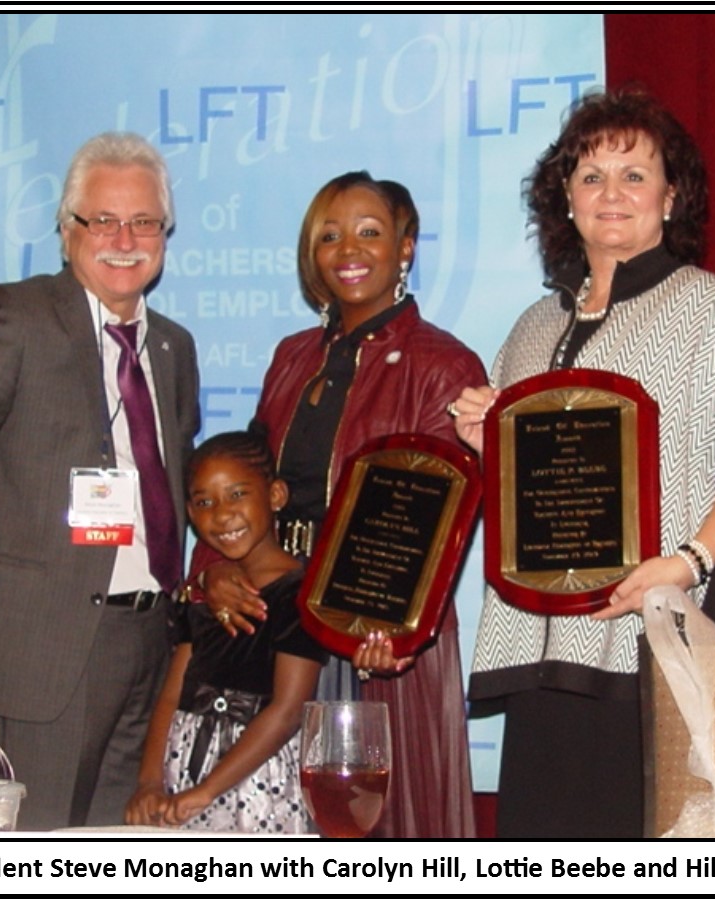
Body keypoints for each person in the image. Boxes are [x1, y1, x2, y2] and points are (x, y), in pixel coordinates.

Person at [451, 88, 715, 838]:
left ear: (671, 198)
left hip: (659, 640)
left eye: (634, 175)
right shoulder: (534, 327)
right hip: (550, 651)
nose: (611, 193)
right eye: (591, 176)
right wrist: (490, 446)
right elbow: (531, 492)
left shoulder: (713, 310)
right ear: (566, 199)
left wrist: (685, 563)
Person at [0, 132, 200, 830]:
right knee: (36, 852)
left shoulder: (174, 346)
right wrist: (9, 567)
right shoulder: (18, 318)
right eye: (103, 220)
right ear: (67, 231)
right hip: (43, 647)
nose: (125, 240)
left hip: (149, 643)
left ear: (165, 235)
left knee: (115, 851)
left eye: (144, 221)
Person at [193, 171, 486, 838]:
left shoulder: (444, 364)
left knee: (375, 837)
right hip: (277, 627)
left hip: (377, 643)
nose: (348, 249)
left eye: (369, 232)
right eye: (329, 236)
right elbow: (243, 483)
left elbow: (438, 525)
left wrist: (394, 631)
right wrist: (212, 569)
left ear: (405, 247)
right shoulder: (291, 357)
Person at [126, 430, 325, 832]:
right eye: (204, 502)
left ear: (275, 495)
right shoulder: (204, 594)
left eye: (237, 495)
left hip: (255, 781)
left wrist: (207, 791)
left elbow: (287, 712)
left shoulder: (302, 595)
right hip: (182, 772)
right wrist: (149, 783)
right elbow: (171, 696)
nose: (221, 514)